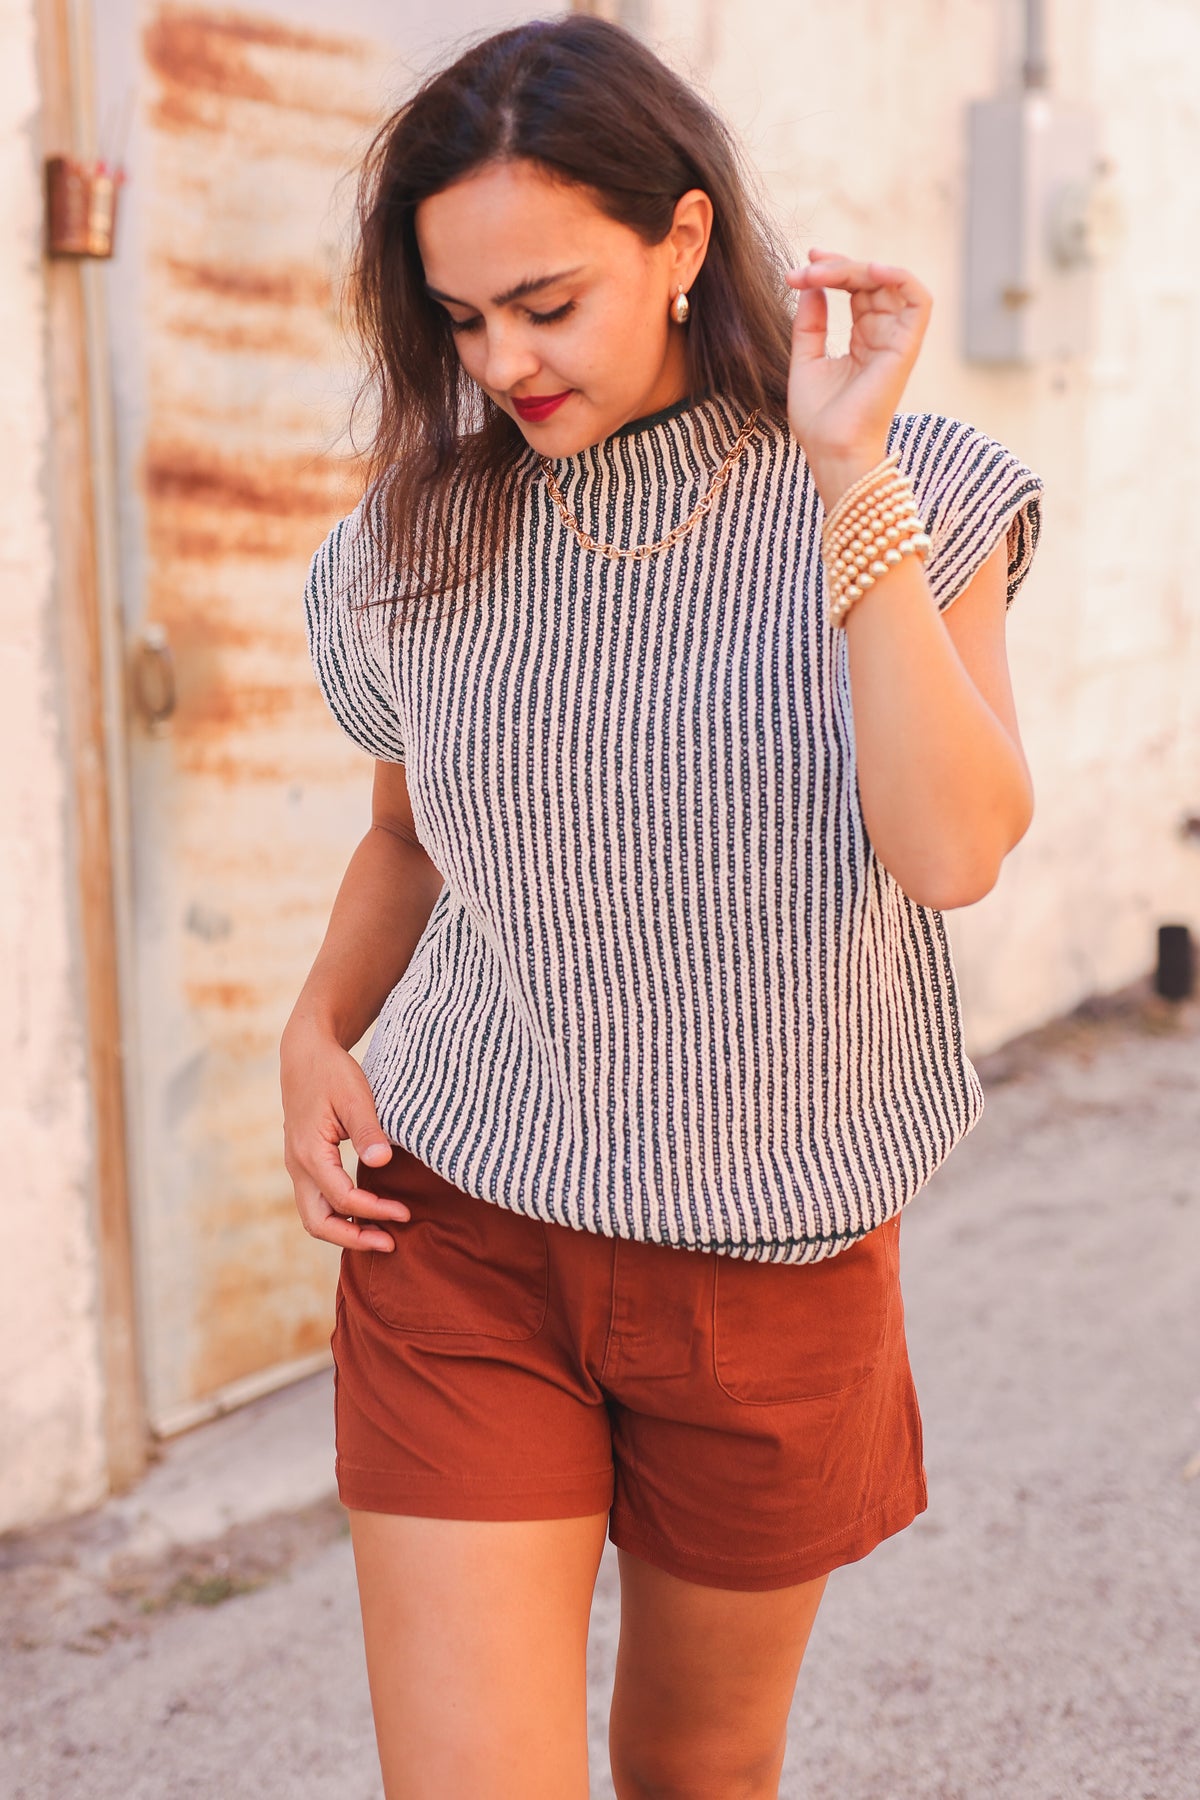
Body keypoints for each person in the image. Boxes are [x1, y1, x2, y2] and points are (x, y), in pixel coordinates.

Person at [281, 15, 1044, 1799]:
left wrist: (850, 478)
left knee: (699, 1766)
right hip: (458, 1233)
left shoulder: (912, 490)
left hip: (767, 1259)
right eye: (462, 321)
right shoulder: (413, 539)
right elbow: (408, 837)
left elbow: (953, 851)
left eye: (547, 303)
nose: (504, 363)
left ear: (684, 241)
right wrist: (316, 1030)